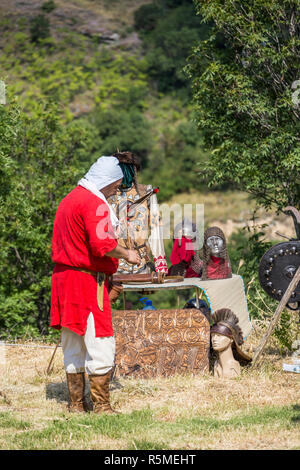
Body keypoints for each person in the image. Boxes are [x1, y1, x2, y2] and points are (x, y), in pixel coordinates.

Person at [50, 156, 141, 414]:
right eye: (114, 184)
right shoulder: (93, 204)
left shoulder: (69, 199)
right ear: (105, 180)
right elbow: (104, 245)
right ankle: (102, 406)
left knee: (72, 341)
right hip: (86, 281)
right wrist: (127, 254)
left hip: (64, 279)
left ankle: (76, 405)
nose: (115, 189)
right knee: (100, 340)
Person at [108, 151, 168, 275]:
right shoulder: (107, 193)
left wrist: (159, 261)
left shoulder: (146, 193)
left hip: (140, 262)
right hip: (113, 264)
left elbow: (156, 226)